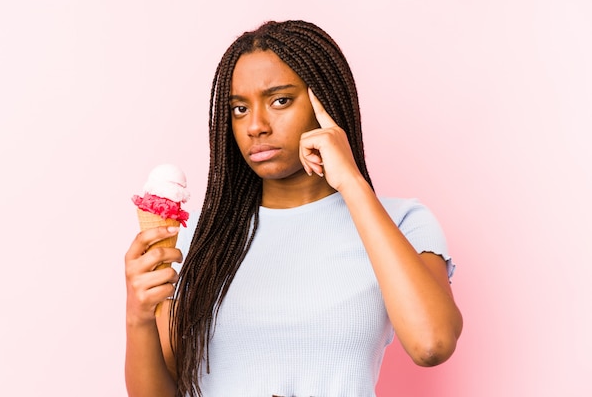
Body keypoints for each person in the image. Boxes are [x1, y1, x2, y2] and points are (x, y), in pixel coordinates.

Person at [124, 20, 463, 397]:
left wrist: (351, 183)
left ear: (326, 103)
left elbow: (431, 343)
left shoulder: (402, 223)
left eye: (280, 100)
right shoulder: (200, 237)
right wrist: (137, 317)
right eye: (239, 108)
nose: (255, 125)